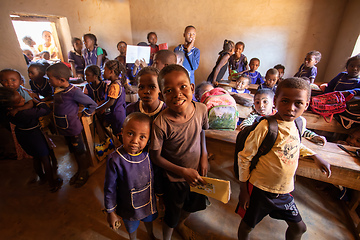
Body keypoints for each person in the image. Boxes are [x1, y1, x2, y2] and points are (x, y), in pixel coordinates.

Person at [236, 78, 331, 240]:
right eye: (285, 101)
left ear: (306, 105)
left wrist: (315, 156)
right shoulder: (266, 127)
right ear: (276, 102)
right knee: (247, 225)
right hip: (260, 189)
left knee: (299, 228)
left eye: (298, 103)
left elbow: (293, 144)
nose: (290, 108)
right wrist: (244, 190)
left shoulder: (297, 124)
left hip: (284, 191)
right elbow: (244, 158)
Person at [150, 64, 209, 240]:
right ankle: (167, 236)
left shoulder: (201, 110)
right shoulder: (161, 123)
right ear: (162, 96)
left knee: (191, 206)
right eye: (169, 90)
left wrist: (204, 156)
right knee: (171, 214)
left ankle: (181, 224)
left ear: (192, 87)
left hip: (197, 173)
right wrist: (183, 171)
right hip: (174, 179)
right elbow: (155, 156)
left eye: (183, 86)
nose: (177, 94)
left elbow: (202, 132)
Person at [104, 112, 157, 240]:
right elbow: (109, 189)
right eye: (130, 134)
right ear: (122, 132)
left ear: (149, 138)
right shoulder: (115, 159)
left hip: (147, 201)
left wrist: (160, 196)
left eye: (142, 137)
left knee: (149, 221)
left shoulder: (148, 155)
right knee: (132, 228)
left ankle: (151, 235)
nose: (135, 141)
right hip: (128, 207)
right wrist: (110, 212)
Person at [1, 88, 62, 192]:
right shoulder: (24, 113)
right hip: (34, 135)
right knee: (45, 159)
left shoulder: (7, 112)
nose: (23, 99)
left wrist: (22, 105)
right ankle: (52, 184)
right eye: (20, 100)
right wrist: (35, 101)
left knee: (36, 157)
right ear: (11, 107)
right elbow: (45, 110)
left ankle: (42, 177)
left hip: (22, 135)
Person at [47, 62, 97, 188]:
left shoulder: (74, 92)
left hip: (73, 128)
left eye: (50, 79)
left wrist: (85, 114)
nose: (48, 81)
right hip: (64, 128)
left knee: (79, 151)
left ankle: (83, 172)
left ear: (61, 80)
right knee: (74, 151)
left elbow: (92, 104)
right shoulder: (58, 89)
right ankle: (79, 169)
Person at [240, 88, 327, 145]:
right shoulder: (254, 116)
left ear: (273, 103)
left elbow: (299, 130)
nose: (261, 106)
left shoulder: (280, 116)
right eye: (257, 102)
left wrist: (313, 136)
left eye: (265, 102)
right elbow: (245, 126)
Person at [96, 60, 126, 138]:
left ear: (111, 72)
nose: (103, 72)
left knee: (118, 135)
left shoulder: (114, 85)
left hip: (117, 114)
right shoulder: (117, 82)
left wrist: (97, 109)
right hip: (119, 112)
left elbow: (111, 102)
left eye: (105, 70)